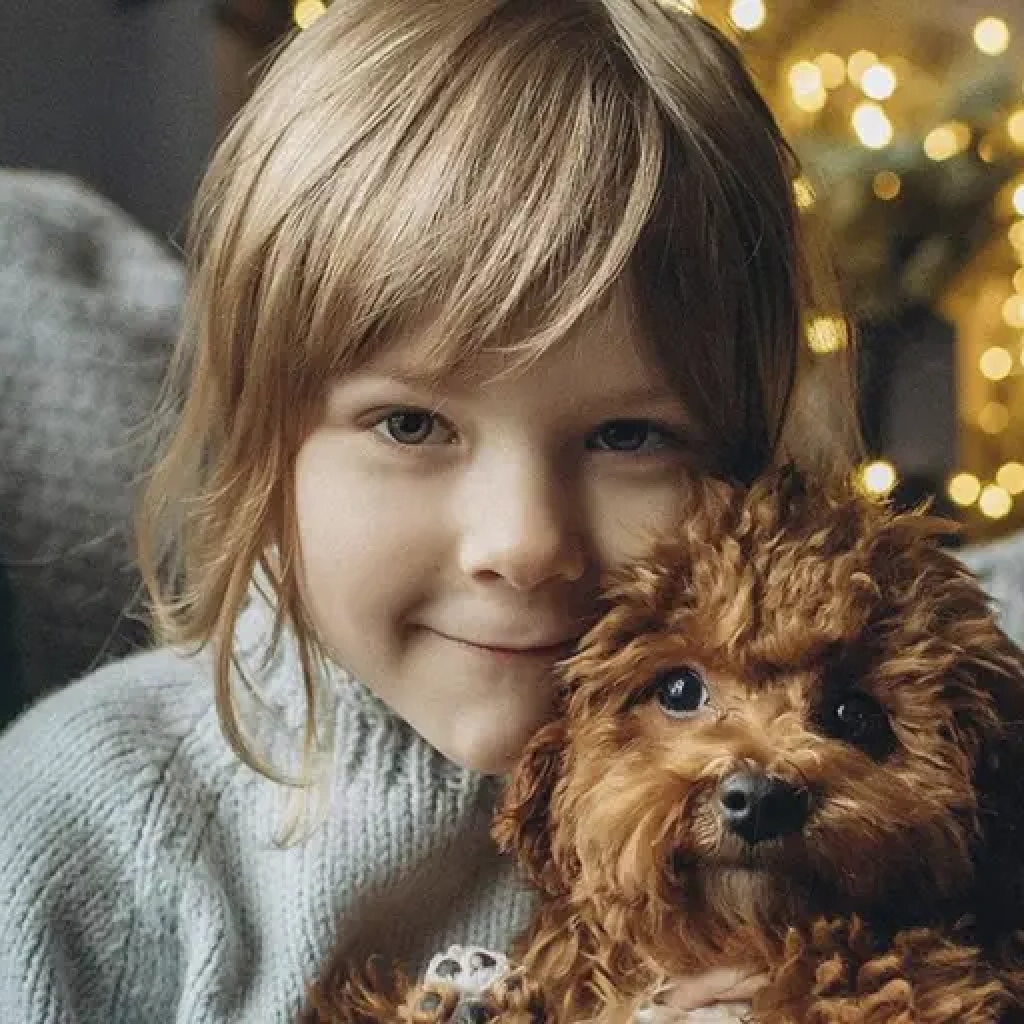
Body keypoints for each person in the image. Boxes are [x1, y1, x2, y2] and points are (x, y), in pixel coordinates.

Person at [0, 0, 861, 1020]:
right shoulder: (73, 828)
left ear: (748, 457)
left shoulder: (806, 801)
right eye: (411, 425)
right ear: (263, 436)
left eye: (628, 437)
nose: (523, 543)